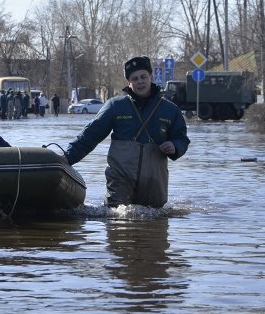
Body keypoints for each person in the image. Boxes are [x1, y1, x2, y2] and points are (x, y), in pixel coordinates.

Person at [62, 55, 190, 208]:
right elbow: (90, 136)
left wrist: (175, 146)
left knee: (155, 221)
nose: (140, 81)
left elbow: (182, 138)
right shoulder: (115, 106)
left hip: (154, 181)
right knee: (117, 217)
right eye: (134, 78)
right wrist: (66, 158)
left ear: (151, 76)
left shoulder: (170, 110)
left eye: (143, 76)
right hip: (120, 179)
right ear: (129, 82)